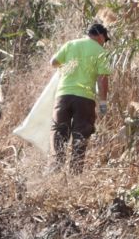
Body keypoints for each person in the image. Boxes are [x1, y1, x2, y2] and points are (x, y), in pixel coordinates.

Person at [48, 21, 112, 173]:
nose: (104, 43)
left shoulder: (71, 44)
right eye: (105, 40)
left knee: (59, 134)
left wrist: (67, 68)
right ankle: (75, 174)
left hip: (63, 96)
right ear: (101, 36)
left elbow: (53, 62)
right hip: (85, 99)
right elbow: (103, 78)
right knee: (80, 136)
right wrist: (103, 102)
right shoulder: (100, 51)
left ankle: (55, 171)